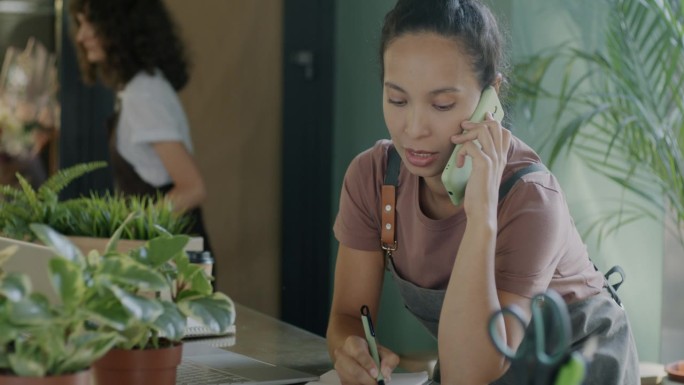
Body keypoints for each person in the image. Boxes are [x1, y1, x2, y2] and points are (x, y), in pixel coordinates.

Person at [327, 0, 640, 384]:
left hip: (580, 366)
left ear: (490, 98)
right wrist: (351, 352)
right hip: (474, 355)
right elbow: (346, 317)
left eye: (442, 104)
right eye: (397, 100)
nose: (414, 127)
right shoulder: (374, 178)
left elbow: (471, 374)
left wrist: (481, 219)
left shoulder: (531, 198)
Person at [68, 0, 212, 253]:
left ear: (122, 26)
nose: (82, 35)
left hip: (175, 262)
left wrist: (123, 231)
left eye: (92, 22)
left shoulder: (144, 96)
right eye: (80, 23)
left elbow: (193, 188)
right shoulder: (139, 87)